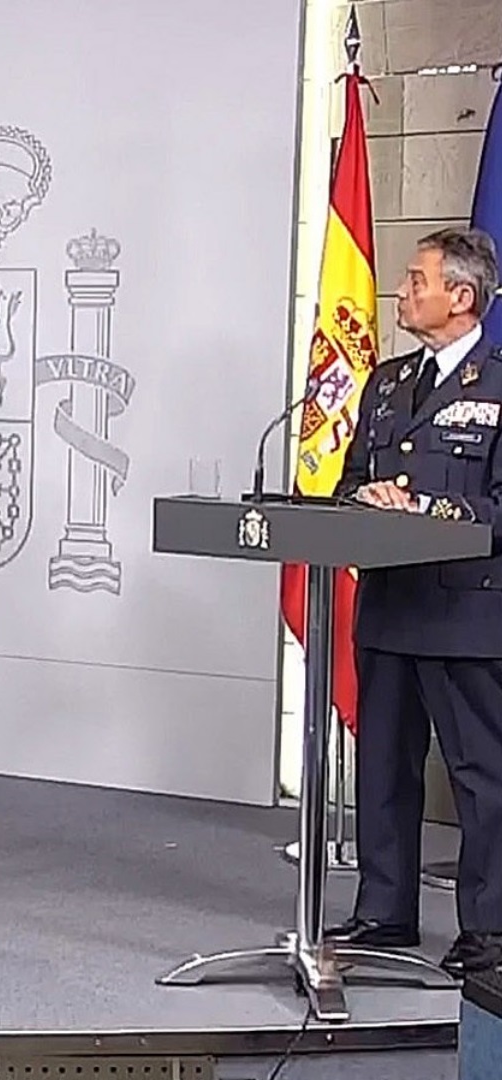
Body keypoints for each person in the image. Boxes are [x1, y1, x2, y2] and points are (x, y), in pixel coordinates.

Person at [325, 226, 502, 976]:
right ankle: (385, 911)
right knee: (383, 767)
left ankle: (489, 930)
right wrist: (369, 495)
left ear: (461, 297)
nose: (403, 290)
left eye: (418, 280)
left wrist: (429, 510)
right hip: (390, 606)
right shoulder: (388, 382)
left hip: (464, 612)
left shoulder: (498, 384)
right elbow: (347, 482)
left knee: (481, 776)